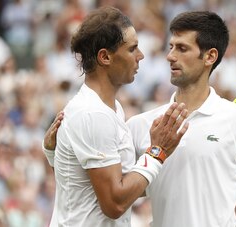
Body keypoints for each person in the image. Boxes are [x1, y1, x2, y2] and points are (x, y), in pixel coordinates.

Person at [44, 10, 236, 227]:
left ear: (210, 56)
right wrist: (59, 152)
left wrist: (55, 152)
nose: (170, 56)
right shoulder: (140, 125)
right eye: (171, 47)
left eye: (182, 48)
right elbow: (110, 189)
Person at [42, 6, 189, 227]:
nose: (140, 56)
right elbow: (114, 204)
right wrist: (157, 152)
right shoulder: (93, 114)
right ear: (105, 57)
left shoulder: (110, 109)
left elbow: (83, 184)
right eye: (132, 49)